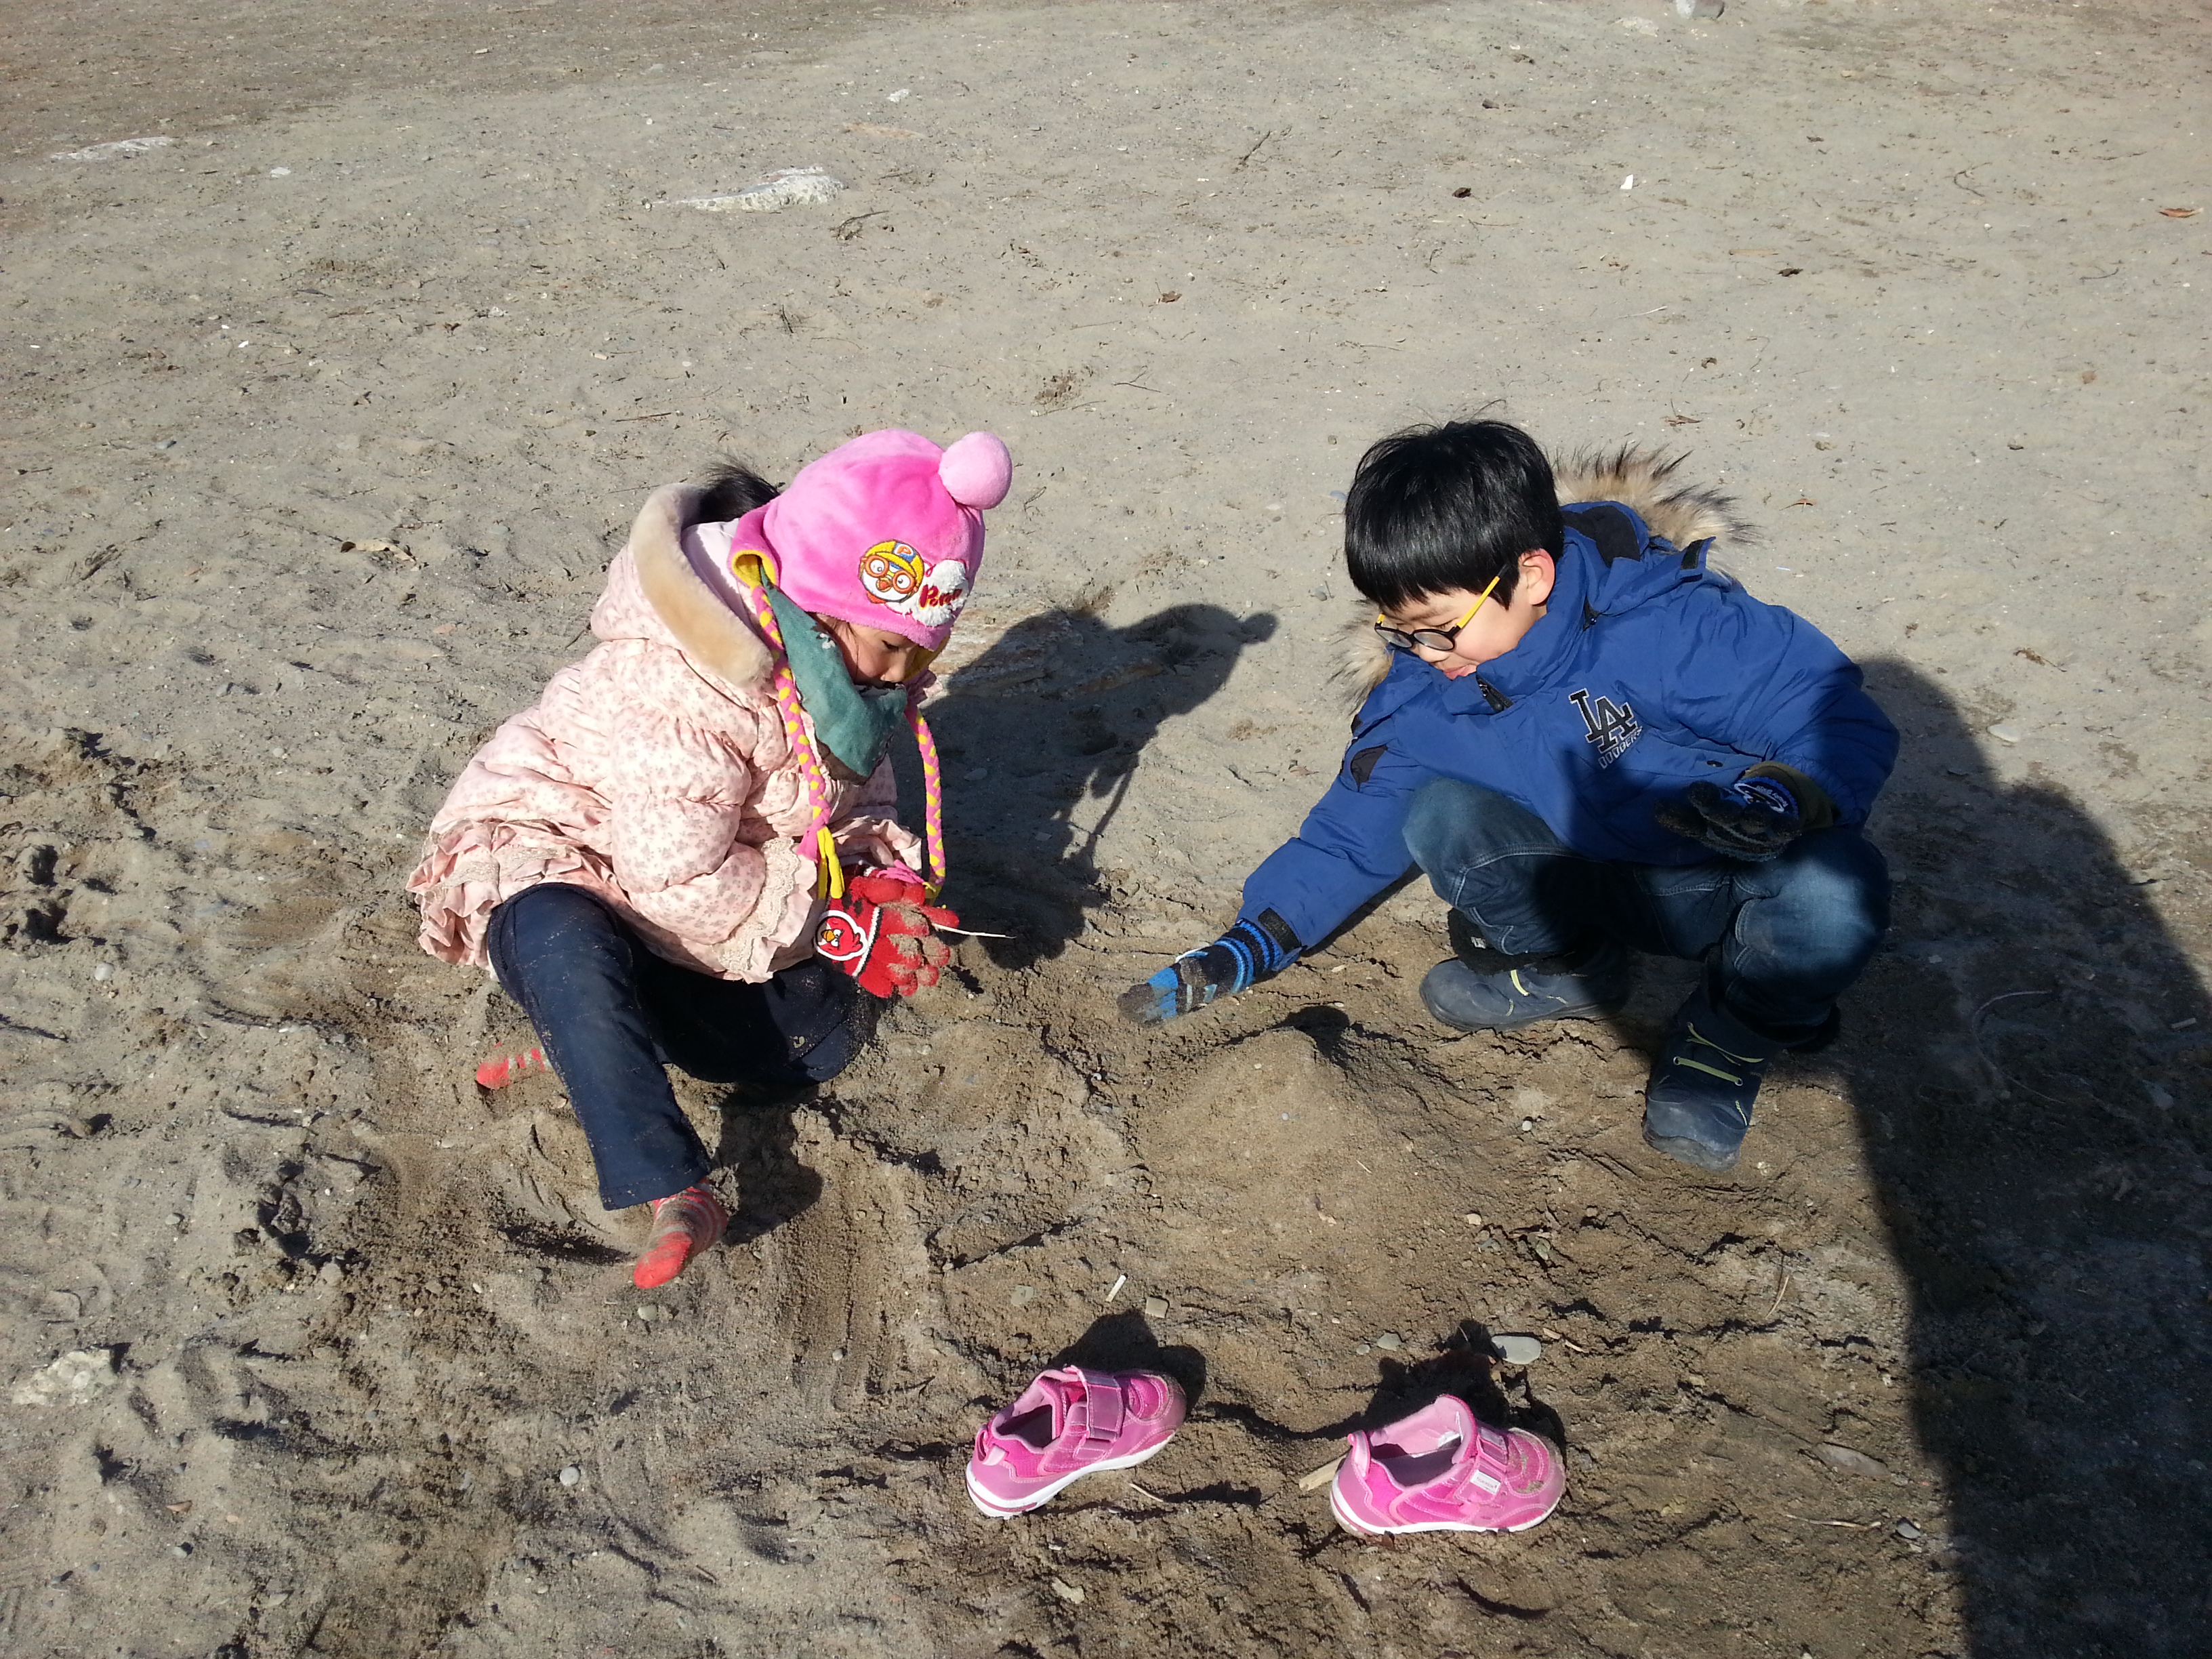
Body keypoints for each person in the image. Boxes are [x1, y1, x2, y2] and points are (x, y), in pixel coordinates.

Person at [1120, 420, 1897, 1174]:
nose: (1423, 652)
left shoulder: (1667, 626)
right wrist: (1254, 941)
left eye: (1439, 628)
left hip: (1721, 872)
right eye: (1400, 629)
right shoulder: (1426, 688)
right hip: (1580, 877)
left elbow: (1834, 717)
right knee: (1442, 815)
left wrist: (1782, 797)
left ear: (1532, 575)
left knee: (1837, 890)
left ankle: (1726, 1038)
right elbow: (1353, 834)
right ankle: (1571, 969)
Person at [409, 428, 1012, 1287]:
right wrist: (822, 915)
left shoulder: (852, 681)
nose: (904, 672)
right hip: (564, 847)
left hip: (699, 880)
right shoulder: (685, 684)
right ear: (818, 604)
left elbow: (857, 809)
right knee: (564, 942)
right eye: (890, 646)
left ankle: (594, 1039)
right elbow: (677, 878)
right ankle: (672, 1185)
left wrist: (871, 881)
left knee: (812, 1043)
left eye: (926, 648)